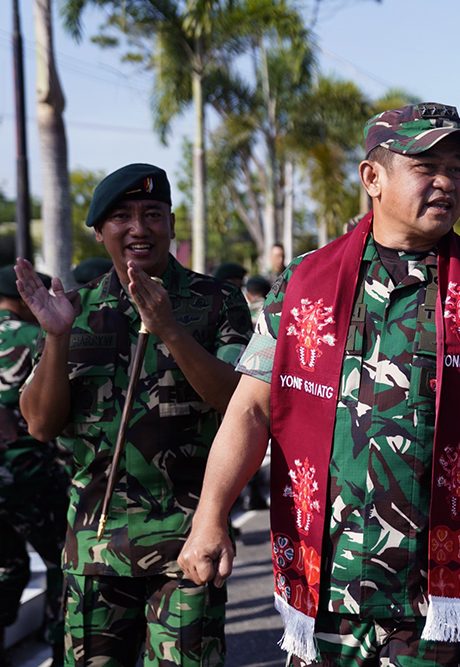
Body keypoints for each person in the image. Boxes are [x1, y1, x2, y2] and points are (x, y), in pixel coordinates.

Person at [178, 102, 460, 667]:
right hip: (328, 585)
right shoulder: (302, 285)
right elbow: (251, 410)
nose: (446, 182)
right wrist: (210, 517)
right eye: (427, 166)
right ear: (373, 177)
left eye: (457, 169)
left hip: (442, 597)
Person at [15, 163, 254, 667]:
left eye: (152, 214)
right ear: (100, 231)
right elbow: (40, 424)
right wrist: (57, 338)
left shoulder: (217, 302)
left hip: (186, 545)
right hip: (94, 551)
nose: (139, 228)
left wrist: (169, 328)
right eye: (122, 216)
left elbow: (235, 403)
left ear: (171, 223)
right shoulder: (71, 309)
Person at [0, 265, 68, 667]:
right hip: (28, 474)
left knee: (8, 564)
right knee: (64, 558)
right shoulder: (34, 337)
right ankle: (63, 646)